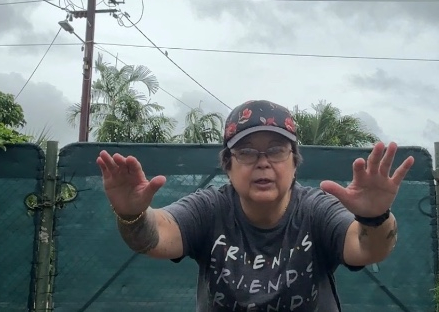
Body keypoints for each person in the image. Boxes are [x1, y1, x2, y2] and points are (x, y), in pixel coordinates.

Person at [97, 100, 414, 311]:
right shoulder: (210, 209)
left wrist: (375, 217)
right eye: (247, 152)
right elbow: (158, 236)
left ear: (294, 163)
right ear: (228, 166)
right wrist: (132, 214)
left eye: (276, 150)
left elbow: (365, 248)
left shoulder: (315, 210)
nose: (263, 163)